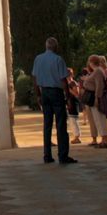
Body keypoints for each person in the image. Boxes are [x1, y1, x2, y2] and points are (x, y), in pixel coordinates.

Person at [32, 37, 78, 165]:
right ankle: (63, 155)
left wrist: (38, 95)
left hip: (44, 92)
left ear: (46, 46)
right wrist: (68, 96)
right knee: (60, 124)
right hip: (56, 93)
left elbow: (35, 78)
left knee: (47, 125)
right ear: (56, 47)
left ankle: (47, 155)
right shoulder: (58, 59)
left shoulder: (38, 59)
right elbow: (64, 80)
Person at [79, 54, 107, 147]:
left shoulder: (98, 71)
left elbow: (99, 85)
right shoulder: (96, 71)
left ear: (92, 62)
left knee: (100, 118)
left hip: (95, 97)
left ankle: (105, 139)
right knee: (97, 119)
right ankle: (103, 139)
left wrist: (97, 98)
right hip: (93, 97)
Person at [66, 68, 81, 143]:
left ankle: (77, 137)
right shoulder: (67, 83)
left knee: (73, 121)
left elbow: (77, 94)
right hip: (69, 103)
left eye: (69, 74)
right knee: (72, 121)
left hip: (73, 103)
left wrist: (69, 90)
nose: (68, 76)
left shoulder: (73, 83)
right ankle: (76, 136)